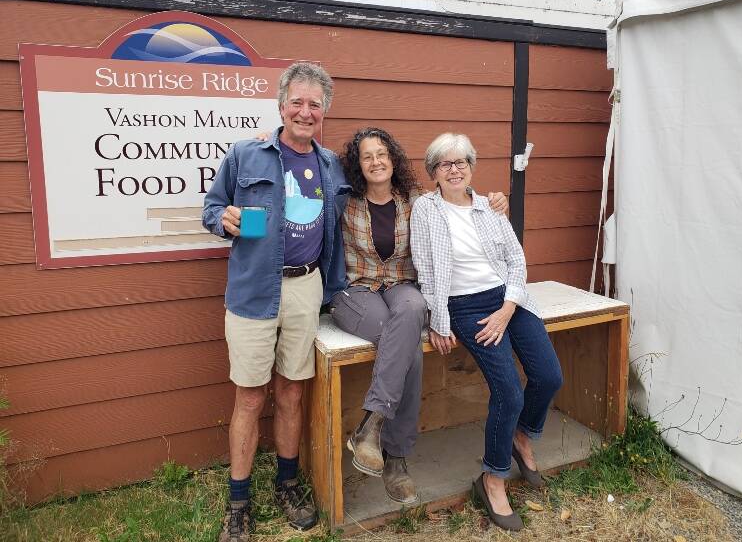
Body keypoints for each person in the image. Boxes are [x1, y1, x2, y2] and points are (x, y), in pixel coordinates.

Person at [203, 62, 349, 541]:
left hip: (307, 288)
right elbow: (211, 207)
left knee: (291, 390)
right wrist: (220, 219)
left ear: (324, 111)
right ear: (281, 105)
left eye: (315, 104)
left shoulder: (329, 165)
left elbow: (355, 212)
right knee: (249, 396)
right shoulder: (247, 154)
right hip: (252, 290)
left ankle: (286, 483)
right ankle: (238, 502)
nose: (305, 112)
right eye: (298, 102)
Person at [331, 128, 509, 505]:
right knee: (407, 343)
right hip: (355, 291)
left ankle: (372, 427)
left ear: (393, 160)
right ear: (357, 164)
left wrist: (494, 200)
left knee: (412, 310)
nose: (376, 161)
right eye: (367, 156)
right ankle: (395, 455)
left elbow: (460, 198)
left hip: (401, 287)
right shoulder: (342, 202)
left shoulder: (417, 201)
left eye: (382, 154)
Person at [409, 133, 563, 532]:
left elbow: (516, 260)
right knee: (509, 392)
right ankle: (492, 479)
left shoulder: (490, 207)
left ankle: (522, 438)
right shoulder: (425, 211)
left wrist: (508, 307)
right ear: (433, 173)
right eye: (445, 164)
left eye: (462, 162)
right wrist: (438, 320)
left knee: (549, 376)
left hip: (508, 300)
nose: (455, 169)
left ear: (472, 167)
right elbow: (425, 269)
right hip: (465, 305)